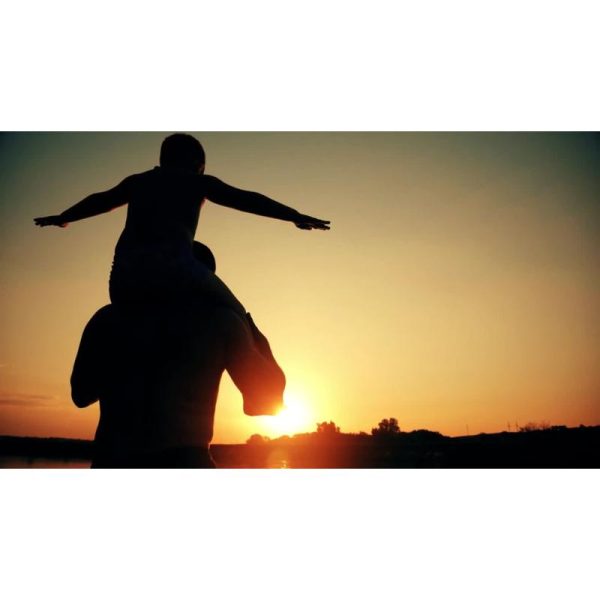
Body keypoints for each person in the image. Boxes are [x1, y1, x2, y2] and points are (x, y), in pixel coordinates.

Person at [34, 133, 330, 314]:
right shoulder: (198, 183)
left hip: (123, 280)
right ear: (198, 164)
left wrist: (64, 217)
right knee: (237, 314)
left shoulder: (138, 181)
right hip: (174, 271)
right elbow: (247, 200)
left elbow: (101, 200)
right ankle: (258, 385)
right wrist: (293, 215)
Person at [71, 245, 285, 468]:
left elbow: (81, 395)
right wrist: (258, 340)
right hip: (185, 461)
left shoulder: (107, 318)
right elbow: (264, 402)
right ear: (210, 281)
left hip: (112, 459)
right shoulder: (221, 322)